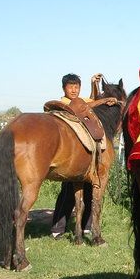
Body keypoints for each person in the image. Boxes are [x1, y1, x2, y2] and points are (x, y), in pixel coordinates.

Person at [49, 73, 101, 239]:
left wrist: (94, 83)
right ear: (64, 88)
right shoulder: (62, 104)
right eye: (70, 87)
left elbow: (92, 99)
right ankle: (57, 228)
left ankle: (86, 226)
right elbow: (93, 102)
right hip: (71, 155)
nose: (74, 90)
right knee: (67, 193)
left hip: (85, 155)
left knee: (87, 191)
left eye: (77, 87)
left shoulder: (82, 101)